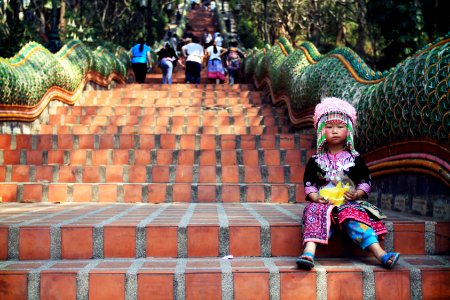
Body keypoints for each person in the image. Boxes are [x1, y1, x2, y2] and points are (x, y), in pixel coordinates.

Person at [296, 97, 401, 270]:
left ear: (349, 130)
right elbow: (309, 183)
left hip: (349, 202)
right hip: (324, 203)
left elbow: (365, 180)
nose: (335, 131)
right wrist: (315, 197)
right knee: (314, 211)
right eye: (329, 127)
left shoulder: (356, 158)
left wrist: (358, 194)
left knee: (353, 216)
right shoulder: (315, 160)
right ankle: (309, 252)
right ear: (321, 130)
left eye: (340, 126)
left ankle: (381, 254)